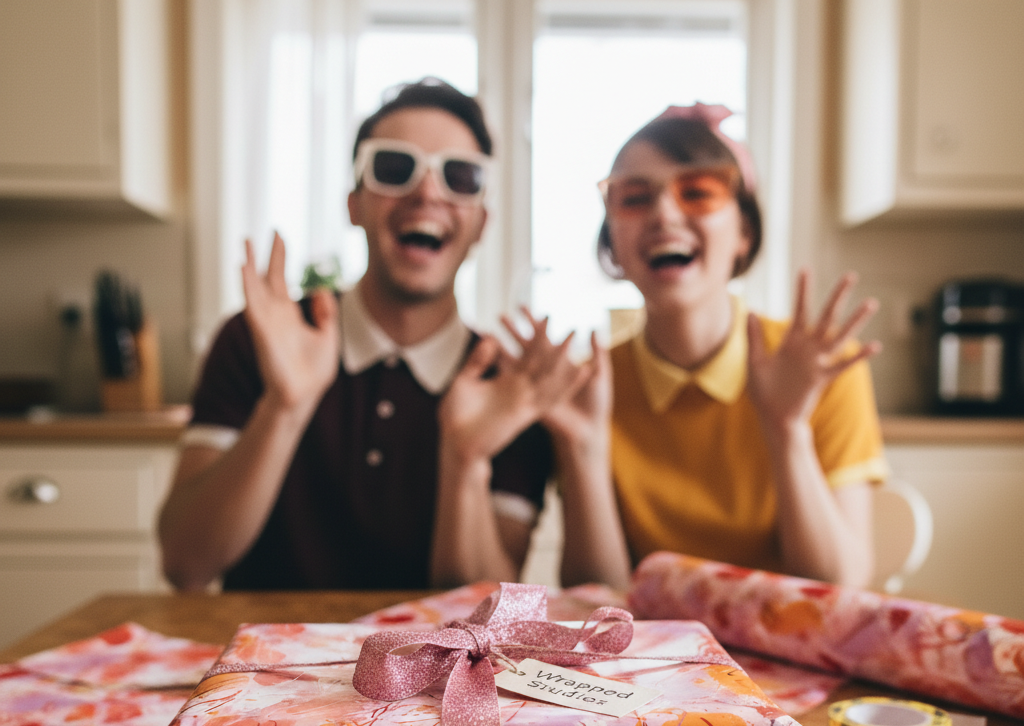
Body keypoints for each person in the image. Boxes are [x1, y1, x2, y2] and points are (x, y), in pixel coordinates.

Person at [159, 79, 588, 591]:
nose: (427, 192)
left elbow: (482, 608)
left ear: (482, 224)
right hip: (263, 665)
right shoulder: (257, 341)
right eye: (394, 168)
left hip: (426, 672)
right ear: (353, 204)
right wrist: (284, 406)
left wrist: (464, 459)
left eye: (460, 177)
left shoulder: (509, 387)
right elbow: (186, 565)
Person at [522, 103, 888, 588]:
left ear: (744, 232)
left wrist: (787, 428)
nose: (665, 214)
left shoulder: (823, 367)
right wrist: (584, 447)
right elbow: (597, 598)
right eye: (634, 197)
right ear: (611, 244)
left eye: (698, 192)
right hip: (653, 657)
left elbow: (839, 588)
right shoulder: (589, 388)